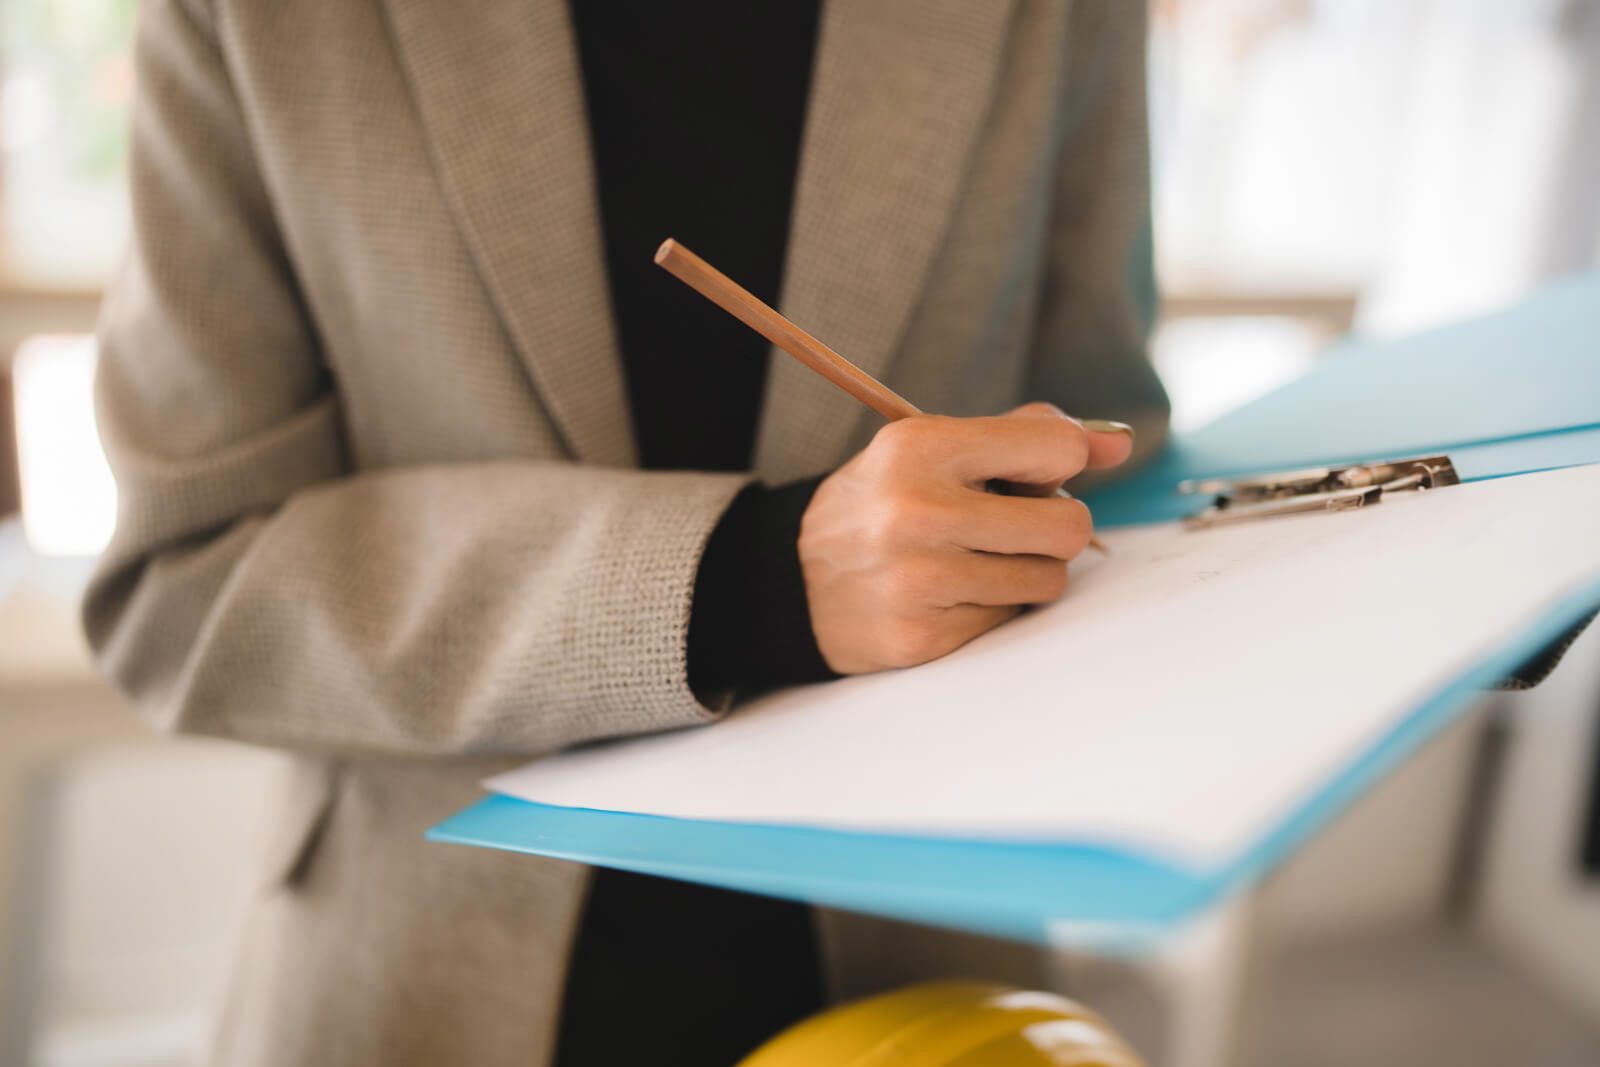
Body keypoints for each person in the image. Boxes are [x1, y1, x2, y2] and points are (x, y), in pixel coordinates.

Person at [84, 1, 1170, 1064]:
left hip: (920, 979)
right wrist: (745, 577)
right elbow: (187, 577)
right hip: (415, 976)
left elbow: (1101, 433)